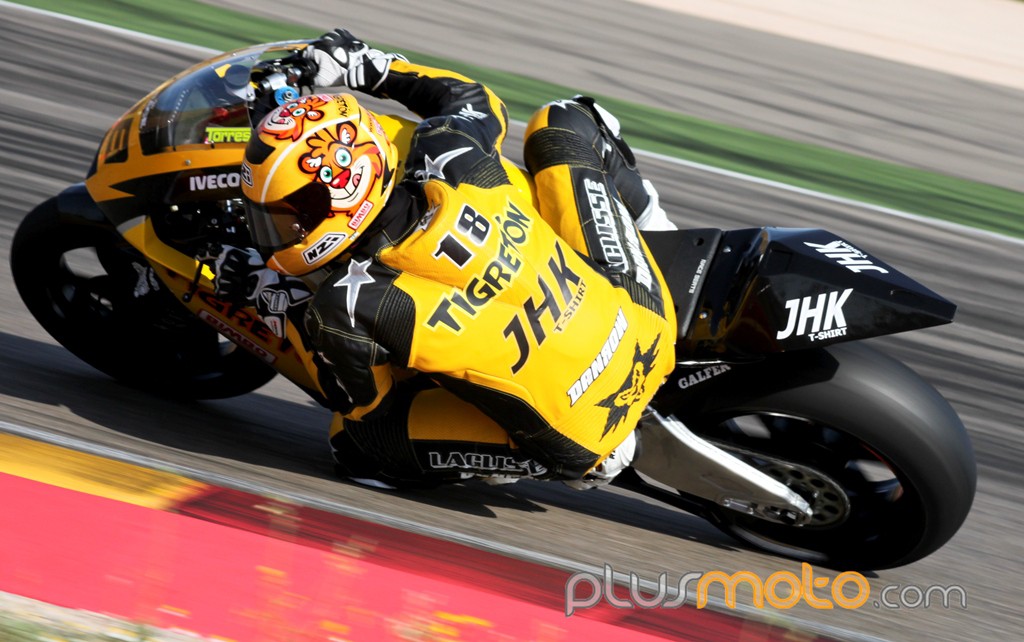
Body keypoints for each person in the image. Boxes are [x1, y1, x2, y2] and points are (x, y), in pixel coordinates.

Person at [213, 28, 678, 490]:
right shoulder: (448, 152)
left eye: (291, 216)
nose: (278, 232)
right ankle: (659, 235)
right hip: (647, 318)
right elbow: (477, 99)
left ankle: (538, 460)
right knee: (565, 121)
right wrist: (369, 67)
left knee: (358, 444)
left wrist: (272, 299)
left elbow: (356, 402)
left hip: (587, 433)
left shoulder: (346, 305)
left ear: (343, 197)